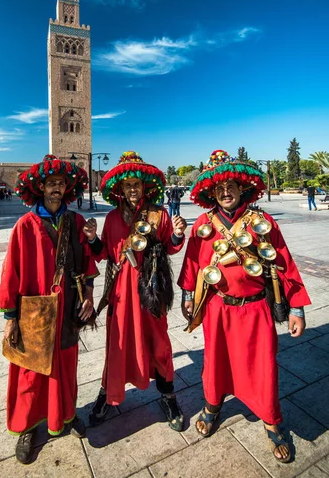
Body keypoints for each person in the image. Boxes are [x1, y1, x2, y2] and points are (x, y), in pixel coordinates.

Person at [179, 150, 311, 464]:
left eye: (232, 186)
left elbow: (284, 263)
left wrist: (297, 309)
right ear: (212, 192)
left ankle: (271, 421)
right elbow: (192, 263)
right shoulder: (203, 222)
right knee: (215, 361)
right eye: (220, 188)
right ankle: (212, 406)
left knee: (264, 367)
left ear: (242, 188)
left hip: (255, 310)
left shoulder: (261, 222)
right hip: (217, 309)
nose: (226, 192)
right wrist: (188, 296)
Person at [0, 154, 98, 464]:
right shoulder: (25, 226)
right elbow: (10, 273)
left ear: (68, 189)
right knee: (30, 372)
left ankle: (66, 415)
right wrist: (10, 320)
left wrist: (89, 295)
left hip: (68, 308)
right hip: (34, 312)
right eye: (51, 184)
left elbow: (89, 265)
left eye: (61, 184)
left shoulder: (76, 222)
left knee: (67, 366)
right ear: (41, 187)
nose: (56, 189)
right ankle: (27, 426)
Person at [86, 151, 187, 431]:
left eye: (137, 185)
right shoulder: (112, 218)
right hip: (120, 293)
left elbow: (170, 245)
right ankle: (108, 393)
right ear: (119, 189)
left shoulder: (158, 215)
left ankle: (168, 395)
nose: (132, 189)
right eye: (127, 185)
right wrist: (93, 238)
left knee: (158, 342)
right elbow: (103, 252)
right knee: (117, 345)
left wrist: (178, 232)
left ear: (145, 187)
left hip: (150, 289)